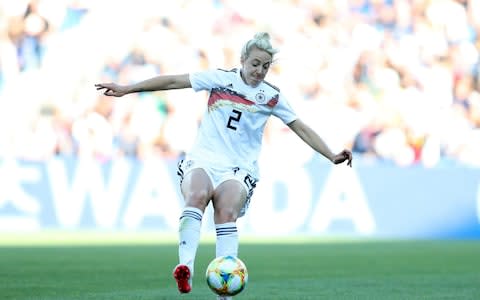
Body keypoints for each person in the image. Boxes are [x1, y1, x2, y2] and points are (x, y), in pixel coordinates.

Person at [95, 32, 352, 299]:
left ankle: (224, 294)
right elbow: (173, 80)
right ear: (242, 59)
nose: (259, 70)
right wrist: (128, 88)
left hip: (239, 167)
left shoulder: (271, 96)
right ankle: (186, 268)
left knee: (226, 212)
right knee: (196, 196)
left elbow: (300, 127)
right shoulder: (220, 79)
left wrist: (331, 155)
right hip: (204, 158)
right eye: (255, 63)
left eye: (265, 66)